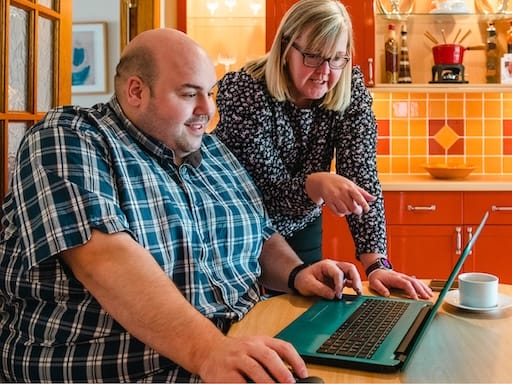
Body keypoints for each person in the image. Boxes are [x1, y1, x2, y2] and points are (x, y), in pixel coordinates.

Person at [0, 28, 363, 383]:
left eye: (209, 92)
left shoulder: (213, 151)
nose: (207, 109)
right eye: (190, 94)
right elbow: (104, 260)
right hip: (133, 368)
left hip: (237, 351)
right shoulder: (71, 137)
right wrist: (210, 351)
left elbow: (260, 232)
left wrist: (297, 274)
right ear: (136, 91)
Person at [214, 0, 433, 300]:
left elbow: (361, 176)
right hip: (241, 229)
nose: (325, 72)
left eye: (337, 58)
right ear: (285, 49)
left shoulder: (349, 89)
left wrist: (377, 265)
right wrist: (315, 184)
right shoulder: (246, 90)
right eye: (313, 56)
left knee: (304, 316)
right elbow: (266, 192)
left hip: (301, 224)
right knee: (249, 319)